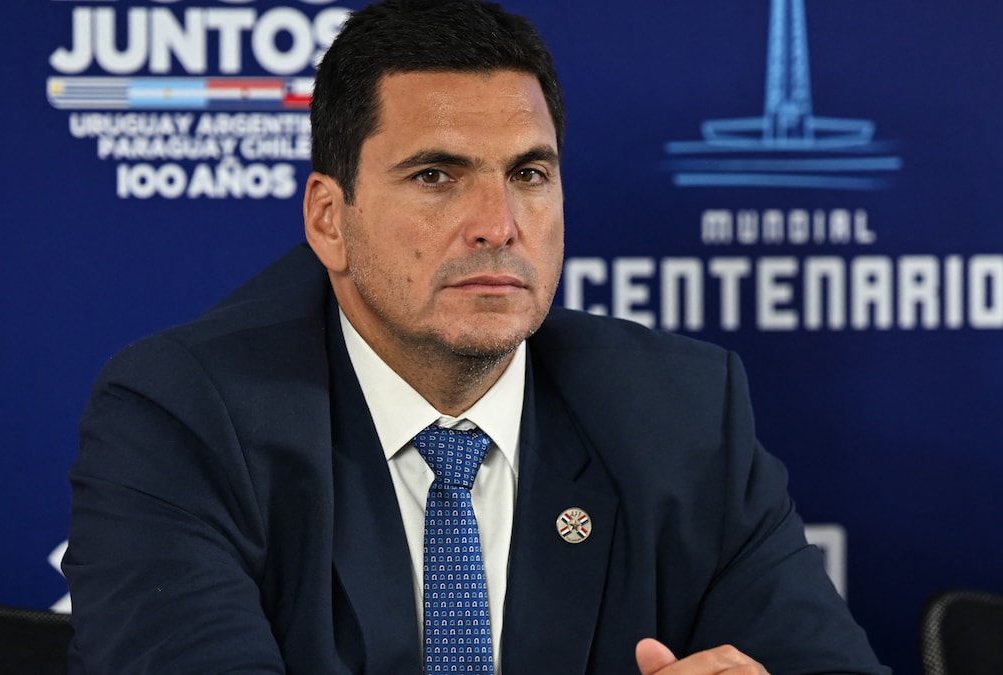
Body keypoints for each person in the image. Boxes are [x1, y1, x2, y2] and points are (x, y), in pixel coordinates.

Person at [62, 1, 889, 673]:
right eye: (436, 175)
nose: (498, 224)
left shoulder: (681, 414)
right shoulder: (181, 417)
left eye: (529, 174)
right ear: (329, 220)